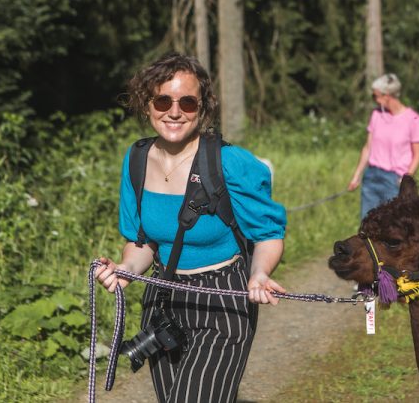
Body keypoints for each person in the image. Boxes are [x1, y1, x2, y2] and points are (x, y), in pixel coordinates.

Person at [94, 53, 286, 402]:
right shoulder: (136, 159)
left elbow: (268, 233)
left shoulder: (228, 162)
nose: (174, 111)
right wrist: (125, 270)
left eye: (187, 102)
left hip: (222, 300)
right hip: (162, 299)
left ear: (203, 107)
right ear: (147, 103)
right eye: (163, 100)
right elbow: (141, 242)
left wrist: (259, 273)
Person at [347, 73, 419, 219]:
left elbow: (418, 154)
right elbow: (367, 147)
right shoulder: (376, 115)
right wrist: (356, 176)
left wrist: (406, 178)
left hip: (393, 181)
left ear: (387, 95)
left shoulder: (413, 119)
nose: (375, 100)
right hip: (371, 176)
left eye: (375, 96)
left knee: (391, 227)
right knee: (367, 226)